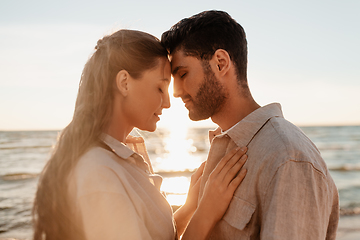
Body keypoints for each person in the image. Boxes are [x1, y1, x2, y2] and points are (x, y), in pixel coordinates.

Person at [32, 29, 249, 240]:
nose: (167, 103)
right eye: (160, 88)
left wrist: (191, 206)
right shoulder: (99, 173)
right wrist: (206, 213)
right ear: (124, 83)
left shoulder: (120, 158)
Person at [161, 10, 339, 239]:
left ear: (221, 63)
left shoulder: (288, 158)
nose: (175, 92)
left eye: (183, 73)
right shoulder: (228, 147)